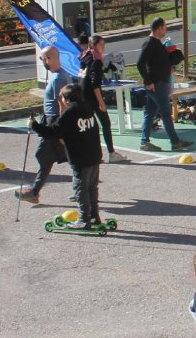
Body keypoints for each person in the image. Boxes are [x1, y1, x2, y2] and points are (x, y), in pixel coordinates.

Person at [29, 84, 102, 228]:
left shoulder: (71, 112)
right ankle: (94, 215)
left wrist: (34, 125)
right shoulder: (87, 108)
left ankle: (84, 219)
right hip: (94, 154)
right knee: (92, 188)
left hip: (80, 157)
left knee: (80, 188)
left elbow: (54, 132)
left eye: (62, 97)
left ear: (67, 99)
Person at [15, 46, 72, 203]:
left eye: (42, 59)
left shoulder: (58, 79)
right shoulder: (59, 75)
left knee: (45, 155)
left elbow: (63, 105)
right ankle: (82, 186)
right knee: (63, 156)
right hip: (52, 119)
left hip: (53, 121)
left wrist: (61, 131)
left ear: (49, 59)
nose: (42, 62)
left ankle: (35, 192)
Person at [137, 18, 192, 152]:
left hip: (158, 83)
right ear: (159, 28)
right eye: (164, 27)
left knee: (150, 113)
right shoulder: (150, 43)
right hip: (156, 84)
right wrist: (149, 82)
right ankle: (175, 142)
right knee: (166, 114)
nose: (165, 29)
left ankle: (144, 142)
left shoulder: (157, 43)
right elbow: (140, 63)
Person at [80, 35, 121, 163]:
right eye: (100, 45)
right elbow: (95, 85)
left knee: (90, 127)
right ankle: (111, 153)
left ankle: (93, 155)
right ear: (93, 46)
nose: (103, 47)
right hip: (92, 97)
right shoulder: (96, 61)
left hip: (82, 96)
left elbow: (81, 76)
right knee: (105, 124)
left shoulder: (85, 56)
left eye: (104, 45)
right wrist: (101, 102)